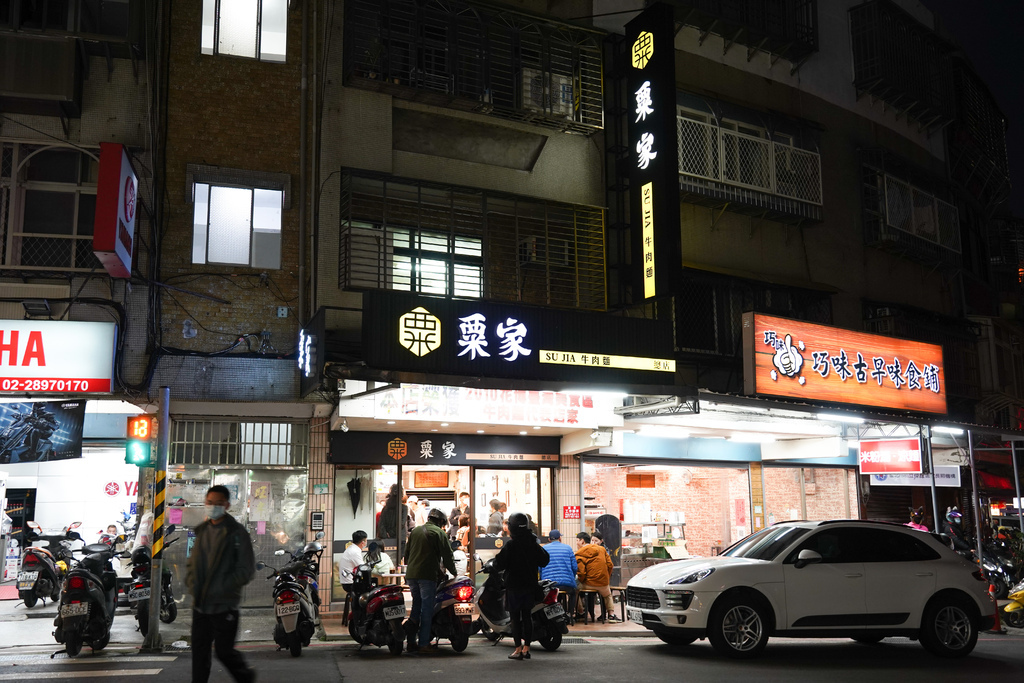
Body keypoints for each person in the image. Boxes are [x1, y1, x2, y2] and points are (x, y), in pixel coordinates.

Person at [186, 485, 256, 683]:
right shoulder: (202, 530)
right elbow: (193, 563)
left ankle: (246, 677)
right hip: (201, 605)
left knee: (224, 652)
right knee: (199, 654)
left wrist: (222, 588)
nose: (213, 507)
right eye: (209, 503)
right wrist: (192, 584)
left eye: (218, 504)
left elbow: (246, 570)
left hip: (224, 605)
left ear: (226, 505)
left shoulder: (236, 533)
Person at [493, 512, 550, 660]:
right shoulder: (532, 543)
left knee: (515, 618)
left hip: (514, 586)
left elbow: (499, 563)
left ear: (511, 527)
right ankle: (527, 648)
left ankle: (517, 649)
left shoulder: (511, 545)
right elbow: (544, 560)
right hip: (530, 585)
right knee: (526, 617)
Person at [403, 508, 456, 654]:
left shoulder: (415, 531)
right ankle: (424, 643)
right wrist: (455, 573)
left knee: (416, 607)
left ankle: (411, 642)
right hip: (426, 575)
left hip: (412, 575)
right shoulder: (439, 533)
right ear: (440, 522)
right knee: (427, 610)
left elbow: (406, 554)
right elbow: (447, 556)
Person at [575, 531, 617, 622]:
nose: (576, 543)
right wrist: (606, 577)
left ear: (582, 542)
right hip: (603, 583)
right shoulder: (602, 550)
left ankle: (581, 612)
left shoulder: (579, 553)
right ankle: (611, 615)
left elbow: (581, 572)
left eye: (577, 541)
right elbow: (610, 565)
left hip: (588, 584)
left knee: (574, 591)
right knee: (608, 595)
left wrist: (583, 580)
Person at [540, 530, 577, 622]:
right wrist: (571, 576)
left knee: (553, 594)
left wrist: (542, 578)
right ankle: (570, 614)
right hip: (566, 583)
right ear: (560, 538)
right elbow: (575, 567)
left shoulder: (544, 549)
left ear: (549, 539)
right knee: (573, 593)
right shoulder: (568, 548)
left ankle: (553, 617)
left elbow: (540, 567)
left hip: (549, 583)